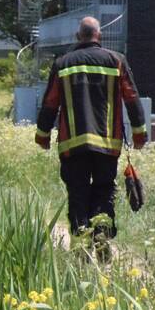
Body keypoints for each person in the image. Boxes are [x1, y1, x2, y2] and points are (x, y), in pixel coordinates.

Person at [35, 17, 146, 262]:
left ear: (78, 37)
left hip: (72, 145)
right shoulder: (116, 61)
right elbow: (131, 98)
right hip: (107, 145)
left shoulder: (62, 63)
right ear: (99, 36)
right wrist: (139, 133)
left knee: (78, 193)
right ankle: (102, 240)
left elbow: (50, 103)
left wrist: (42, 135)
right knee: (104, 191)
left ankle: (81, 250)